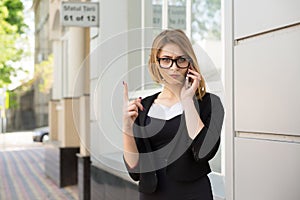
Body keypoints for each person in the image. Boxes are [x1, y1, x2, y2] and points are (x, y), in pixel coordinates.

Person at [122, 29, 224, 200]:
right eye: (166, 60)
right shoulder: (143, 107)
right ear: (156, 63)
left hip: (194, 194)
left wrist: (187, 102)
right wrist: (126, 128)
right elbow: (135, 171)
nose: (174, 67)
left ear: (190, 64)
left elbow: (204, 153)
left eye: (181, 60)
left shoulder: (210, 103)